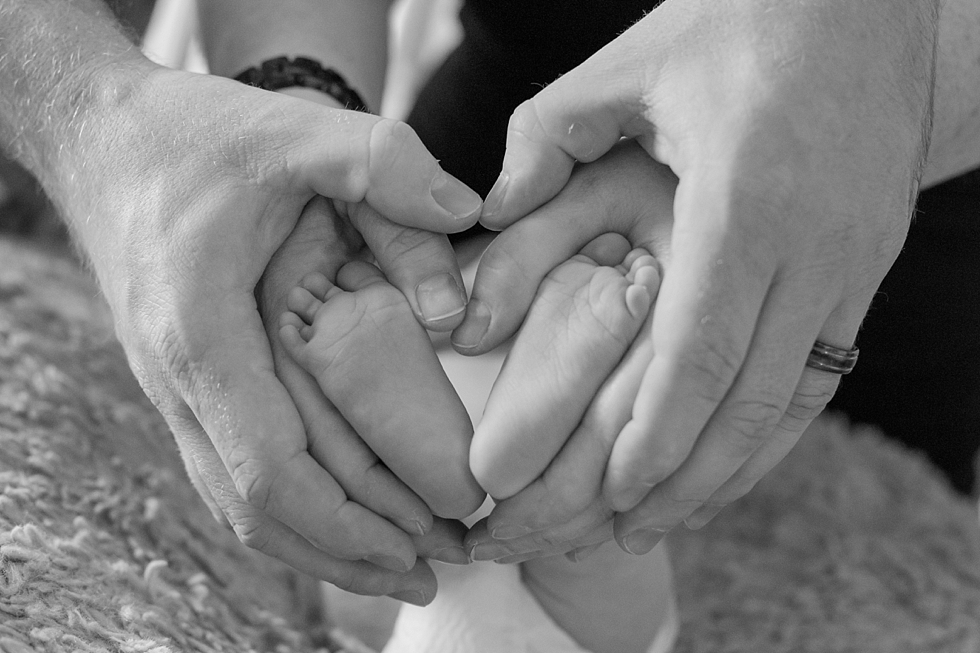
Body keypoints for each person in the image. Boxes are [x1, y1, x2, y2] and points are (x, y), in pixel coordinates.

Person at [2, 0, 979, 616]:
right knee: (586, 521)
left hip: (886, 164)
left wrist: (897, 69)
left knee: (381, 534)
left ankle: (494, 406)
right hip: (524, 121)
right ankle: (547, 422)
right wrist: (291, 99)